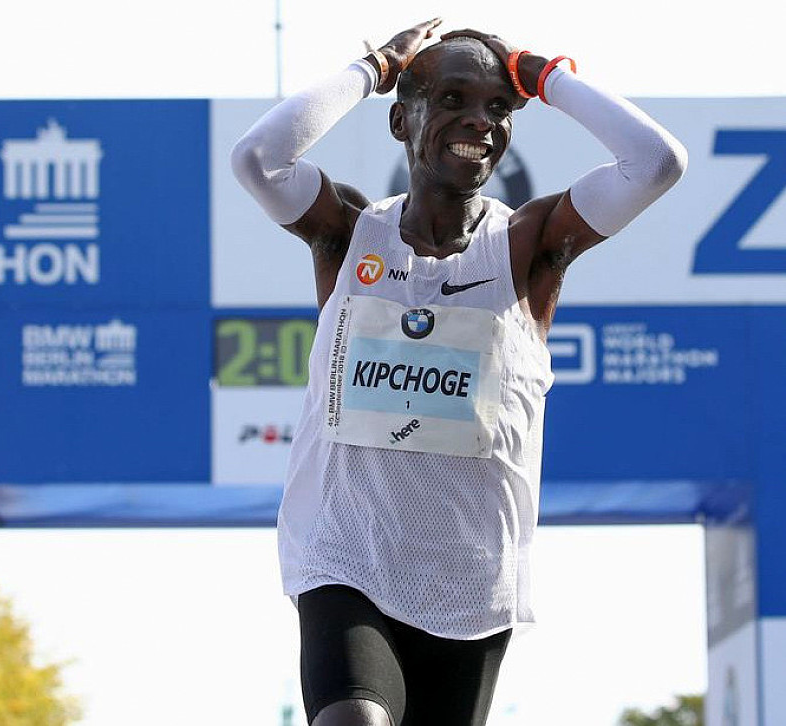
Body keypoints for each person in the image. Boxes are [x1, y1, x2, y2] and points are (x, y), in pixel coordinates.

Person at [231, 18, 686, 726]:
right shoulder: (348, 232)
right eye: (451, 99)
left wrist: (542, 75)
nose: (479, 120)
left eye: (498, 107)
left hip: (470, 583)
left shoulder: (528, 244)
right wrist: (375, 67)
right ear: (401, 121)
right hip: (344, 558)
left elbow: (656, 163)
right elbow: (259, 160)